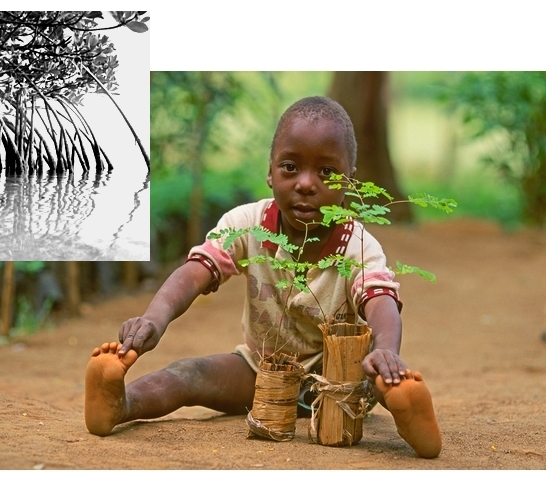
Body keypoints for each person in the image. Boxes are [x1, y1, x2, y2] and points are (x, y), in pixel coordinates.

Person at [84, 96, 442, 458]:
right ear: (270, 172)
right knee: (187, 374)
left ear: (349, 182)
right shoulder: (247, 224)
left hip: (340, 380)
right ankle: (121, 405)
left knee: (381, 378)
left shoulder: (359, 247)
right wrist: (154, 319)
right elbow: (195, 272)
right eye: (290, 167)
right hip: (260, 371)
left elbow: (380, 300)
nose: (305, 183)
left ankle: (406, 409)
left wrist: (384, 351)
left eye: (326, 173)